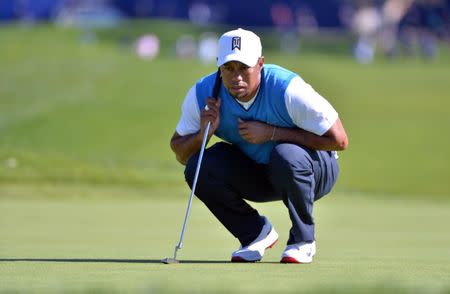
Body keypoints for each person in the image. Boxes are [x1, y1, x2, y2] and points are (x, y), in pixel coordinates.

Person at [170, 28, 348, 263]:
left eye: (244, 68)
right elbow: (181, 153)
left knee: (286, 154)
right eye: (229, 68)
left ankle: (303, 240)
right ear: (218, 67)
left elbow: (339, 140)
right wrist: (203, 133)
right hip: (262, 173)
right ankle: (254, 234)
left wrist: (272, 133)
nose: (237, 77)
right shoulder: (204, 93)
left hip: (315, 171)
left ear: (261, 63)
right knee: (198, 167)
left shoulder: (287, 89)